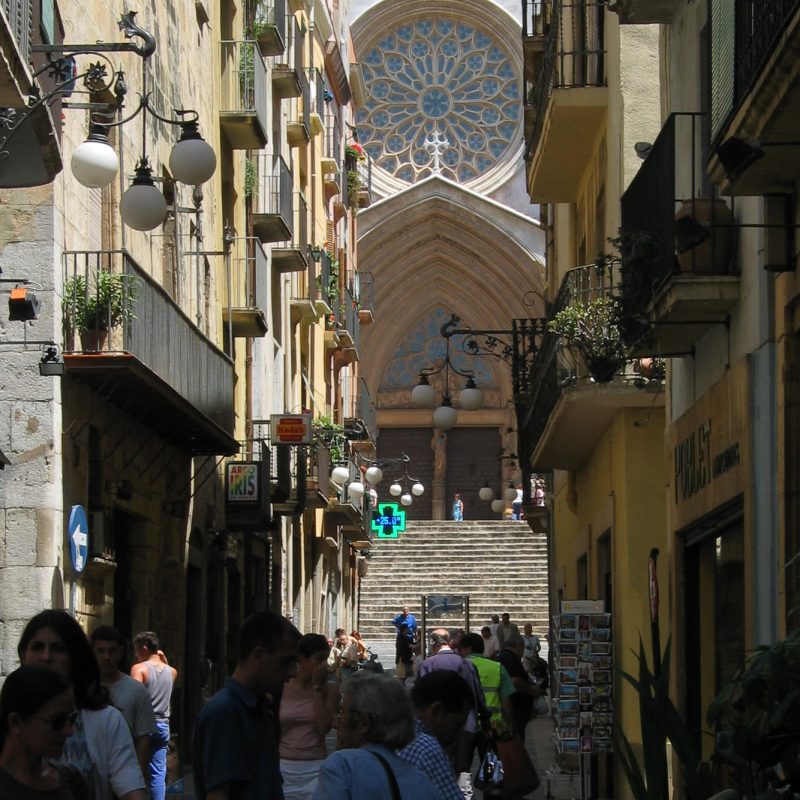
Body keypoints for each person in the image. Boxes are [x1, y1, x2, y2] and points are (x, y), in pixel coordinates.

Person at [18, 609, 148, 800]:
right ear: (24, 654)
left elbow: (132, 790)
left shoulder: (107, 720)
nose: (46, 657)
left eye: (58, 648)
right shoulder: (11, 716)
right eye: (38, 647)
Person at [193, 610, 301, 800]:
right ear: (258, 656)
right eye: (286, 662)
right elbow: (218, 794)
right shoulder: (225, 712)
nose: (293, 673)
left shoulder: (260, 707)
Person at [313, 672, 438, 799]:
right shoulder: (422, 781)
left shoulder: (343, 766)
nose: (338, 721)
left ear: (364, 722)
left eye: (342, 712)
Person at [0, 665, 89, 798]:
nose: (68, 731)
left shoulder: (71, 780)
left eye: (71, 719)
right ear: (16, 722)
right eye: (57, 721)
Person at [91, 625, 156, 780]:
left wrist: (137, 780)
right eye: (100, 651)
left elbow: (143, 741)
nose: (106, 657)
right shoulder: (80, 690)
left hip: (123, 776)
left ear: (120, 652)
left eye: (112, 651)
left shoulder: (137, 691)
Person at [279, 634, 337, 800]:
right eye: (319, 659)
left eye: (326, 659)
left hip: (315, 768)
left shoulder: (330, 689)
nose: (323, 665)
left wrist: (317, 688)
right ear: (302, 659)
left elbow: (323, 728)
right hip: (284, 766)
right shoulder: (282, 686)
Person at [398, 671, 473, 800]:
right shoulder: (426, 749)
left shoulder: (389, 735)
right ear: (436, 711)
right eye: (457, 725)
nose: (457, 735)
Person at [131, 631, 177, 800]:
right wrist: (164, 660)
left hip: (144, 726)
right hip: (163, 726)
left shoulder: (138, 669)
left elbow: (133, 698)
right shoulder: (172, 671)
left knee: (137, 773)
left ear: (144, 648)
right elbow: (167, 670)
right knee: (158, 774)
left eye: (136, 651)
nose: (135, 656)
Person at [459, 633, 515, 736]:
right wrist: (509, 723)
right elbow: (506, 701)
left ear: (468, 649)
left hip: (465, 726)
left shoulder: (457, 667)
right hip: (494, 726)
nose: (460, 652)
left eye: (461, 649)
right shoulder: (497, 668)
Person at [497, 634, 540, 742]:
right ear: (518, 645)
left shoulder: (505, 657)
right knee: (516, 737)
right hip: (515, 707)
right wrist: (533, 692)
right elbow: (515, 681)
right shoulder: (510, 658)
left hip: (515, 706)